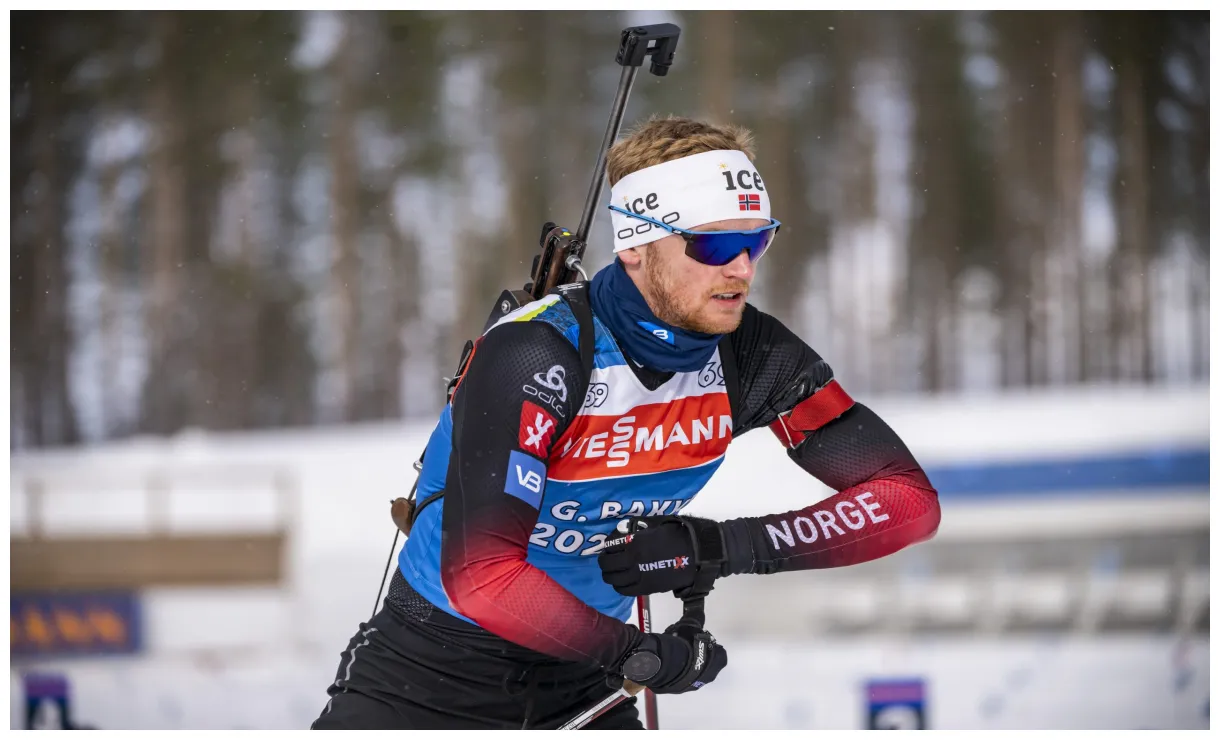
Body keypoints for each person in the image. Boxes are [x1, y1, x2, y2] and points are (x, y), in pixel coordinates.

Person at [310, 115, 942, 730]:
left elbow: (907, 502)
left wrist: (720, 546)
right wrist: (637, 654)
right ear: (636, 246)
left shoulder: (750, 354)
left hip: (581, 687)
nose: (743, 268)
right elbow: (483, 578)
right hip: (426, 679)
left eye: (758, 239)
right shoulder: (540, 353)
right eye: (716, 243)